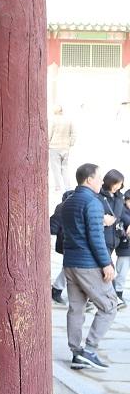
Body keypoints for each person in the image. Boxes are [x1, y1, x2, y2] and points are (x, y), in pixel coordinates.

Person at [60, 162, 119, 371]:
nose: (100, 181)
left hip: (70, 263)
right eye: (98, 177)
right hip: (88, 264)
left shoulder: (68, 202)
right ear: (88, 179)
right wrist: (106, 264)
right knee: (110, 305)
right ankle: (90, 349)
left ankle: (76, 353)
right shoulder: (93, 203)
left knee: (76, 309)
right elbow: (95, 238)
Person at [98, 170, 130, 310]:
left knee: (102, 270)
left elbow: (122, 215)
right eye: (117, 183)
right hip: (101, 238)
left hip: (114, 239)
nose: (118, 186)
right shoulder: (99, 196)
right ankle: (114, 298)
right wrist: (102, 219)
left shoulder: (119, 197)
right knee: (108, 268)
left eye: (120, 184)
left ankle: (93, 298)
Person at [48, 105, 78, 195]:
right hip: (65, 147)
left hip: (54, 146)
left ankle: (58, 186)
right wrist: (70, 143)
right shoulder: (68, 120)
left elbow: (49, 133)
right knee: (65, 167)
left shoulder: (53, 120)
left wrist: (47, 143)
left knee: (56, 167)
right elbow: (74, 133)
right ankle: (67, 186)